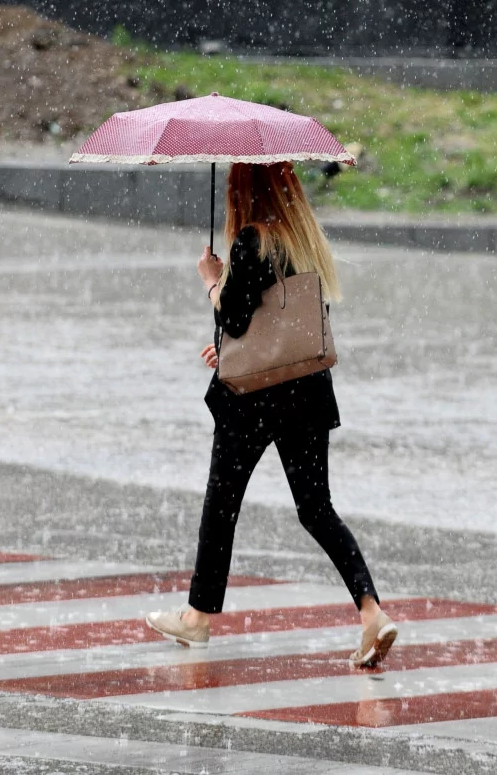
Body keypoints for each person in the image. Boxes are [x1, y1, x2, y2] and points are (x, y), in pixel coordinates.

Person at [147, 160, 397, 669]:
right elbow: (281, 322)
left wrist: (212, 281)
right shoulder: (303, 239)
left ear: (244, 189)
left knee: (222, 505)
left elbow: (236, 314)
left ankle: (197, 619)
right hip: (306, 391)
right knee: (316, 508)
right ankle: (372, 611)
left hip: (255, 400)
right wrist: (230, 348)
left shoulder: (252, 241)